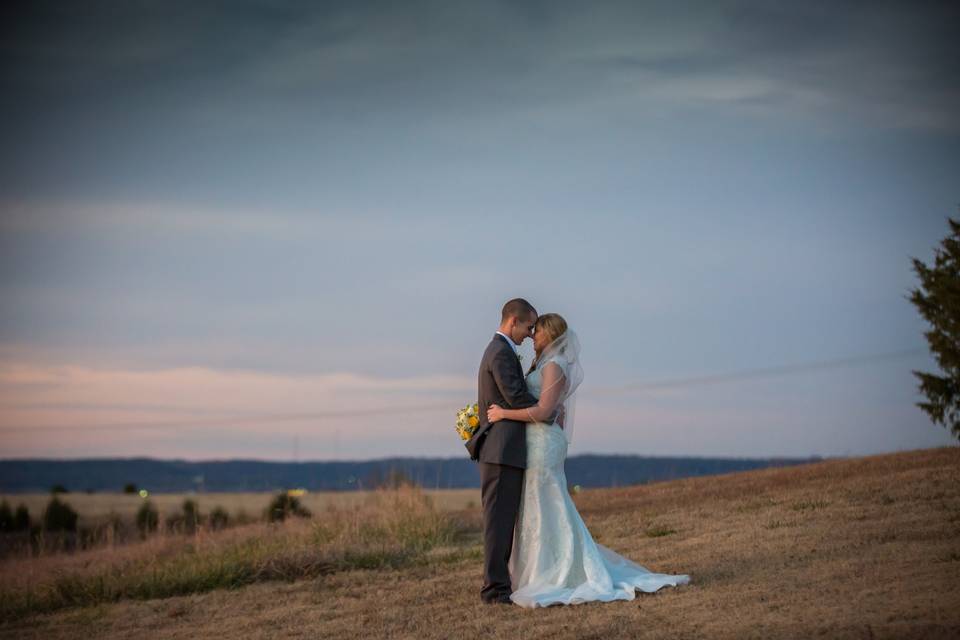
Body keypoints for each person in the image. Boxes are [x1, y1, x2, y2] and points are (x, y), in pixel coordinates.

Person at [487, 312, 691, 607]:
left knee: (546, 502)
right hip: (537, 442)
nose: (532, 336)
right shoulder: (545, 364)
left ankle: (555, 571)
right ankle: (532, 571)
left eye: (537, 332)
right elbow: (557, 410)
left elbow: (544, 412)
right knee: (534, 505)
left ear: (551, 335)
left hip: (543, 445)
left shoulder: (554, 366)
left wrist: (503, 414)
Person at [465, 297, 540, 604]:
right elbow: (515, 397)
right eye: (528, 326)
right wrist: (546, 407)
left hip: (505, 451)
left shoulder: (503, 351)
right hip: (499, 451)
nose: (531, 333)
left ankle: (500, 585)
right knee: (497, 522)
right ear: (513, 321)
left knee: (504, 520)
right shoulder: (499, 352)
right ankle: (494, 590)